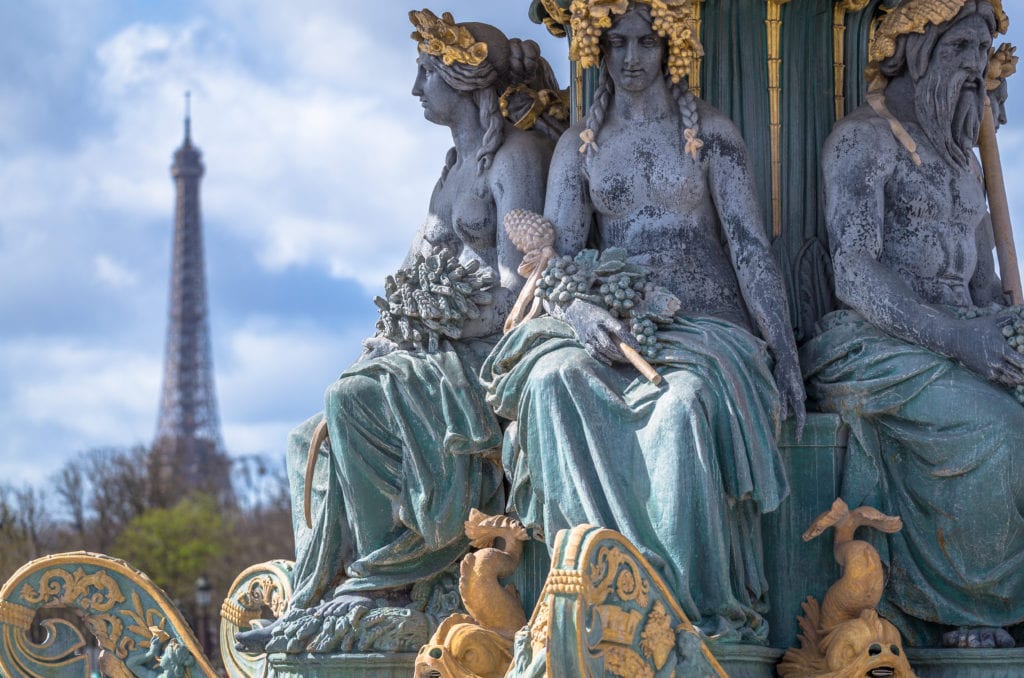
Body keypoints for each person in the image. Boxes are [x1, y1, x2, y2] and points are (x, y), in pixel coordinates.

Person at [235, 9, 565, 651]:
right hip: (438, 346)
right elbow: (416, 274)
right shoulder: (452, 169)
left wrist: (429, 320)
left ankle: (383, 583)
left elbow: (516, 289)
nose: (417, 89)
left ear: (460, 77)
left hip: (487, 353)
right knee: (309, 435)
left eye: (424, 73)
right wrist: (395, 330)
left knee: (350, 400)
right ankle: (322, 589)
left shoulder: (517, 156)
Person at [482, 0, 805, 643]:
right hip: (604, 315)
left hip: (703, 320)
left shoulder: (710, 132)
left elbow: (748, 248)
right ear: (600, 52)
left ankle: (687, 602)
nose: (631, 58)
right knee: (550, 383)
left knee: (682, 406)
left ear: (671, 49)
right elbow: (558, 260)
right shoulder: (579, 146)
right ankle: (591, 592)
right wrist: (578, 313)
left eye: (646, 43)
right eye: (618, 43)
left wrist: (785, 354)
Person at [801, 0, 1024, 648]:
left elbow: (982, 282)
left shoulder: (963, 161)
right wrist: (958, 337)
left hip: (963, 327)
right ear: (917, 52)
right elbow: (855, 271)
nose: (977, 70)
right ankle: (975, 612)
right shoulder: (865, 140)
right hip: (878, 338)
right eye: (960, 50)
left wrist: (1006, 325)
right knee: (1001, 431)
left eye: (983, 54)